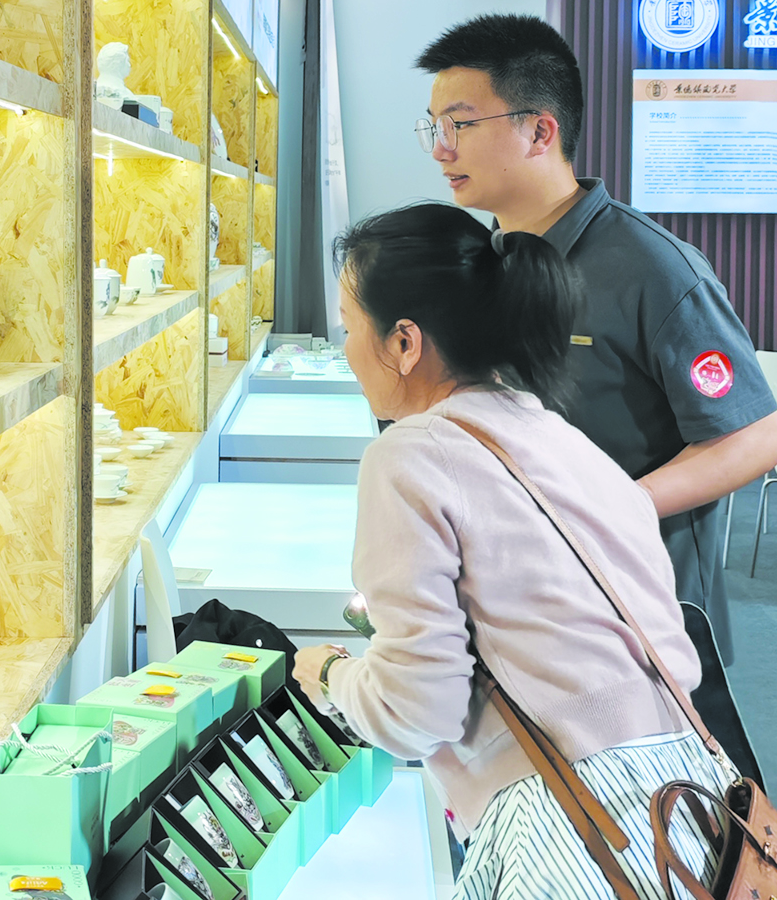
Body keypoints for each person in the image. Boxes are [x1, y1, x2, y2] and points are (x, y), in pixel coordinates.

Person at [293, 203, 731, 897]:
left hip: (567, 832)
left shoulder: (409, 455)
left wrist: (328, 677)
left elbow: (417, 710)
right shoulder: (562, 439)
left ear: (404, 342)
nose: (345, 348)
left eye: (349, 328)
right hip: (679, 809)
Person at [410, 13, 777, 662]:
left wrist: (614, 506)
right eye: (434, 127)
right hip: (522, 604)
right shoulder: (488, 261)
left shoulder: (652, 268)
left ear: (540, 131)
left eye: (460, 125)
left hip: (638, 614)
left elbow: (753, 437)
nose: (441, 149)